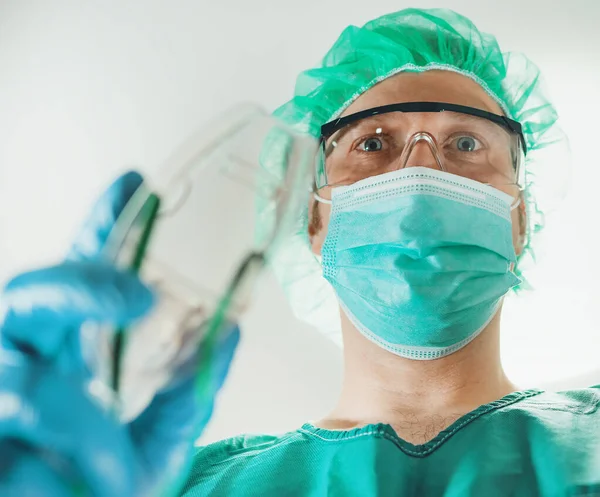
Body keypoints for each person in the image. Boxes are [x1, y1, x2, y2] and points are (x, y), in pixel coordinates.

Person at [0, 7, 596, 497]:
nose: (420, 173)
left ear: (519, 220)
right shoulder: (172, 486)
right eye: (372, 143)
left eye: (465, 143)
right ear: (313, 216)